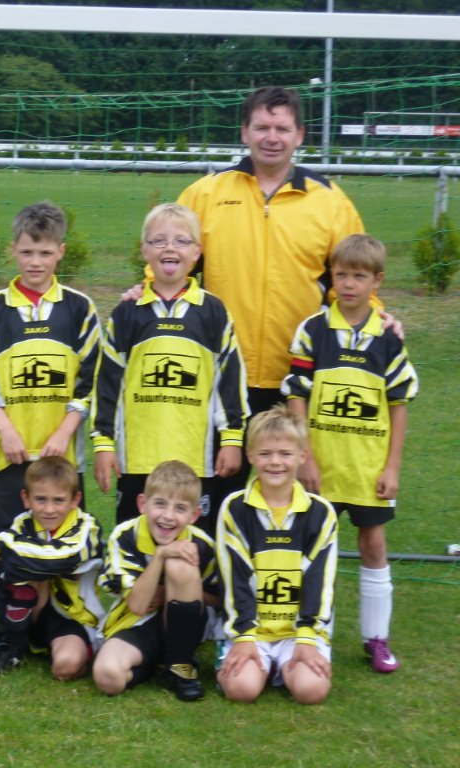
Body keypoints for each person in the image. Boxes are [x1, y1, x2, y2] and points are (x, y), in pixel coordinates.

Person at [175, 85, 366, 499]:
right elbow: (171, 262)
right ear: (244, 132)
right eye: (262, 127)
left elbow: (355, 276)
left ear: (300, 135)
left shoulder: (330, 202)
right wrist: (146, 287)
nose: (272, 137)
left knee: (290, 497)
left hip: (298, 376)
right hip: (222, 373)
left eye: (282, 128)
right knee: (214, 493)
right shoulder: (206, 194)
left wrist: (377, 319)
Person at [0, 201, 101, 669]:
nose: (35, 262)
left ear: (60, 252)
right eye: (27, 252)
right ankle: (8, 638)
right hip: (11, 456)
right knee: (10, 547)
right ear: (13, 250)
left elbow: (90, 378)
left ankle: (58, 626)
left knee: (62, 546)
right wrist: (5, 428)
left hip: (62, 459)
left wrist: (66, 429)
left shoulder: (80, 308)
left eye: (45, 252)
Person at [282, 234, 418, 674]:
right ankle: (312, 634)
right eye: (341, 275)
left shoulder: (389, 338)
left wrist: (392, 466)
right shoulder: (313, 330)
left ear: (377, 280)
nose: (349, 284)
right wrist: (305, 457)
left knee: (373, 543)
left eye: (359, 276)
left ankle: (376, 638)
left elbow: (398, 405)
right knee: (312, 548)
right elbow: (296, 395)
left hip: (367, 468)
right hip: (321, 467)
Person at [92, 203, 248, 534]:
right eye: (159, 240)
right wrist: (104, 444)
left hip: (196, 460)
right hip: (138, 459)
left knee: (191, 547)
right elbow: (108, 384)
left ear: (197, 252)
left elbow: (230, 380)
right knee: (134, 543)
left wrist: (232, 438)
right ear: (144, 250)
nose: (170, 248)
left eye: (181, 241)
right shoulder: (127, 313)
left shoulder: (213, 312)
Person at [216, 405, 338, 705]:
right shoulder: (235, 508)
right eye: (265, 453)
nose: (275, 462)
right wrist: (244, 636)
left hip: (296, 632)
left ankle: (279, 664)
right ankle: (247, 661)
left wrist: (307, 637)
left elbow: (319, 582)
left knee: (312, 691)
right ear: (250, 455)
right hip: (252, 629)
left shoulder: (320, 513)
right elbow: (233, 579)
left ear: (302, 456)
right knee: (241, 689)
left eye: (285, 453)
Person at [93, 460, 220, 701]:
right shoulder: (124, 536)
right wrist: (160, 555)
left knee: (180, 563)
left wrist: (173, 590)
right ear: (143, 503)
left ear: (194, 515)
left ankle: (181, 667)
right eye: (160, 504)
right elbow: (138, 605)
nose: (168, 516)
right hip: (137, 622)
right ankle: (155, 664)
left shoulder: (202, 544)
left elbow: (218, 598)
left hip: (187, 625)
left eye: (180, 508)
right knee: (107, 677)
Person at [0, 456, 104, 680]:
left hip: (72, 618)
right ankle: (10, 644)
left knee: (65, 667)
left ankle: (82, 650)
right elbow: (10, 552)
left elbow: (63, 557)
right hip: (36, 613)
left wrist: (11, 549)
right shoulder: (23, 523)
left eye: (58, 500)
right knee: (20, 574)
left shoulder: (88, 526)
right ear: (26, 498)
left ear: (75, 499)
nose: (49, 509)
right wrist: (21, 556)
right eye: (40, 499)